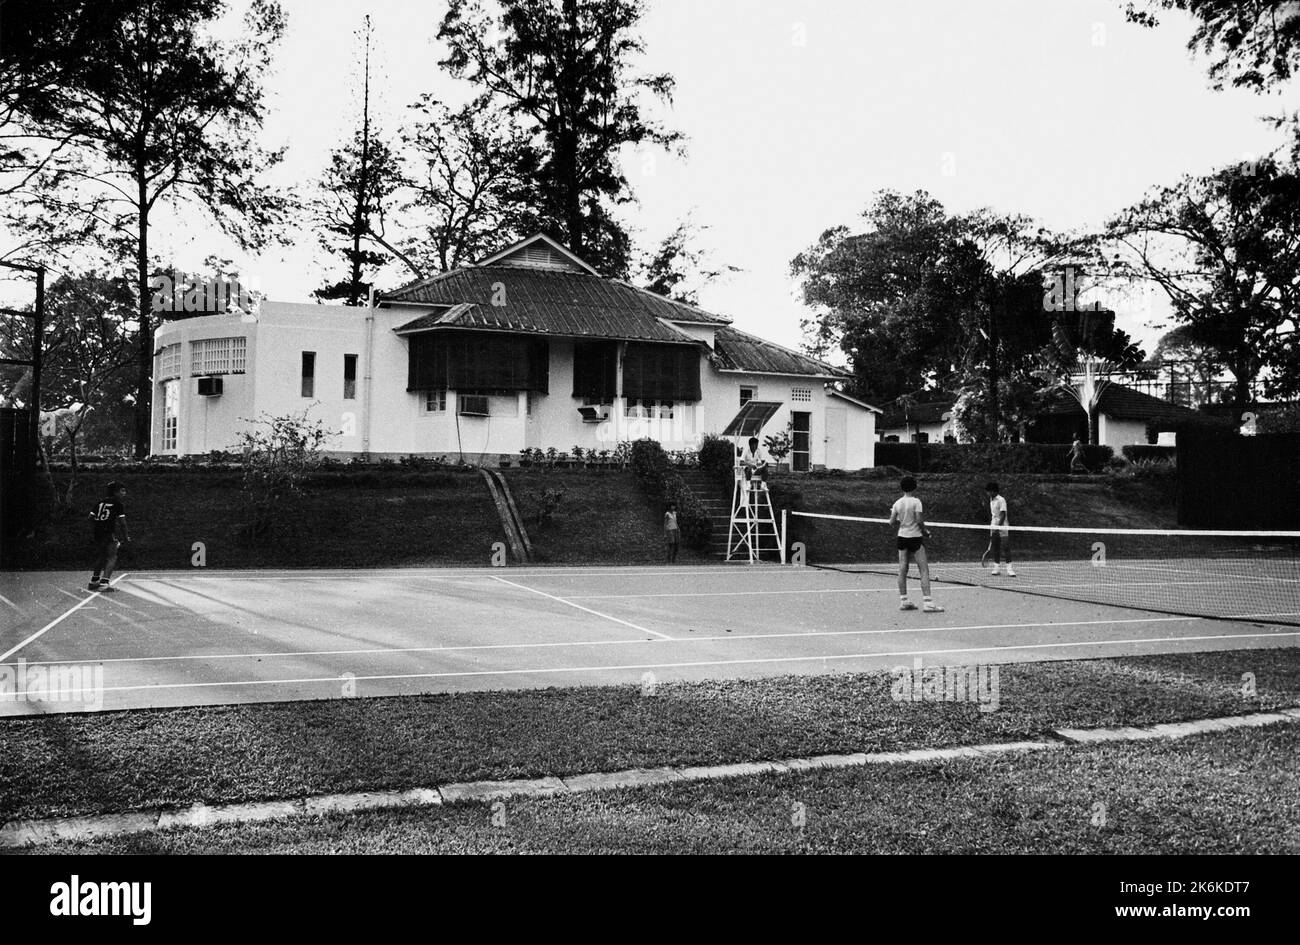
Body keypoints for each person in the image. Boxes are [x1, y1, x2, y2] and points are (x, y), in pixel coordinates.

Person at [888, 476, 943, 613]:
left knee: (902, 569)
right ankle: (928, 603)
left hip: (902, 537)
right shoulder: (916, 502)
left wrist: (899, 517)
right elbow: (919, 520)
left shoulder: (897, 503)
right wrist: (925, 531)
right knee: (923, 569)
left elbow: (891, 522)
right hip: (915, 538)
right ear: (914, 487)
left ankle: (904, 600)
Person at [88, 481, 130, 591]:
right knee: (112, 556)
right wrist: (126, 536)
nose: (124, 493)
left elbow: (90, 518)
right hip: (109, 532)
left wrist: (99, 523)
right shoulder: (117, 504)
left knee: (101, 556)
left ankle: (94, 581)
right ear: (115, 492)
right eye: (122, 491)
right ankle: (104, 583)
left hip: (98, 532)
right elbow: (123, 522)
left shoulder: (100, 503)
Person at [985, 481, 1016, 577]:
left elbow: (1003, 515)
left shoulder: (1001, 500)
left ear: (994, 491)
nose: (988, 493)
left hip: (1002, 526)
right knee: (996, 547)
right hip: (993, 526)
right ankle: (996, 568)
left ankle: (1010, 569)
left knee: (1006, 547)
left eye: (989, 491)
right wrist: (994, 527)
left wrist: (998, 527)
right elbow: (994, 515)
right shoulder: (991, 500)